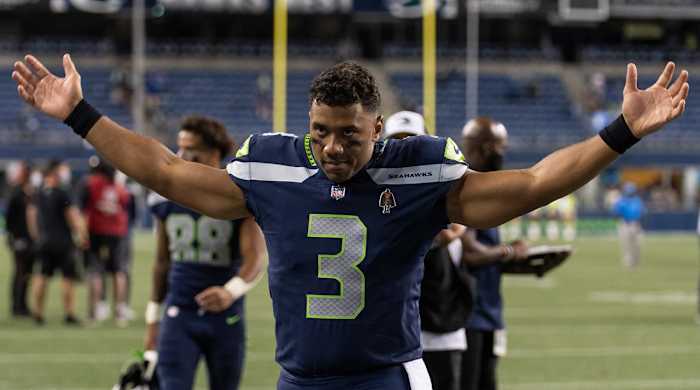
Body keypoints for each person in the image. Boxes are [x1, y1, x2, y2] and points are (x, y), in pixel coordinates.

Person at [12, 54, 688, 389]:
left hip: (387, 377)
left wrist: (622, 131)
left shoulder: (418, 175)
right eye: (320, 132)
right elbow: (162, 170)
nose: (333, 148)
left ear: (378, 131)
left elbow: (535, 184)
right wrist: (79, 115)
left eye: (350, 136)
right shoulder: (274, 170)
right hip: (298, 379)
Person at [144, 116, 267, 390]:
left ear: (213, 153)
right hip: (180, 312)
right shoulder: (166, 197)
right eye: (179, 147)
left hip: (226, 316)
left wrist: (229, 291)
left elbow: (255, 258)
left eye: (190, 149)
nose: (181, 155)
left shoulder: (236, 194)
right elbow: (161, 263)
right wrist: (153, 319)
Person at [384, 111, 470, 390]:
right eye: (396, 141)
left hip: (439, 323)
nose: (402, 148)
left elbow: (458, 230)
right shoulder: (372, 191)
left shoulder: (444, 185)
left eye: (410, 141)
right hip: (391, 335)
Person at [459, 118, 529, 390]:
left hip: (486, 310)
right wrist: (508, 251)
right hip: (470, 312)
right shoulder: (465, 186)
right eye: (501, 146)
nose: (503, 152)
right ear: (486, 148)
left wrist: (519, 259)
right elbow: (469, 254)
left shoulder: (482, 184)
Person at [27, 160, 87, 325]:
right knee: (67, 278)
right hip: (63, 241)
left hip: (44, 240)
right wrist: (81, 234)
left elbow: (31, 214)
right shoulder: (63, 192)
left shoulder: (39, 192)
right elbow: (72, 215)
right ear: (55, 172)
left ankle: (38, 313)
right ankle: (69, 313)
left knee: (42, 276)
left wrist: (36, 236)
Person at [79, 156, 131, 325]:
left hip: (96, 231)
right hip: (117, 231)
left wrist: (83, 234)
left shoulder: (90, 184)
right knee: (119, 271)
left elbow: (85, 211)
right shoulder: (119, 187)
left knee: (95, 271)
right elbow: (125, 206)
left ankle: (94, 313)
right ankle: (120, 312)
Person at [4, 160, 35, 317]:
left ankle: (23, 304)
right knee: (20, 272)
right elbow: (9, 220)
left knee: (27, 273)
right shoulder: (16, 194)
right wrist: (13, 237)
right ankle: (17, 306)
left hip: (30, 240)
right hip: (19, 239)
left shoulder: (29, 193)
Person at [612, 182, 645, 268]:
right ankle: (628, 262)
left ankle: (636, 261)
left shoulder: (637, 200)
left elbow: (642, 212)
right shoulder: (621, 201)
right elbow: (616, 213)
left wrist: (639, 223)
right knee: (626, 244)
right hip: (625, 224)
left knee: (638, 244)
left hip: (636, 224)